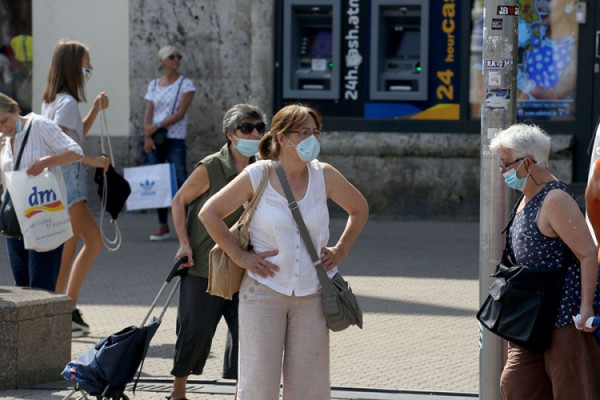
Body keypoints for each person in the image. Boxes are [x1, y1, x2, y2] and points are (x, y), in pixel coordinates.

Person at [199, 104, 369, 399]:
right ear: (280, 137)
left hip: (313, 296)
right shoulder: (259, 174)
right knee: (258, 387)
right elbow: (209, 213)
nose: (311, 138)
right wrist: (240, 256)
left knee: (309, 389)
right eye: (303, 131)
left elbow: (360, 208)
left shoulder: (323, 175)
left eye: (315, 131)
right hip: (264, 292)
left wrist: (341, 250)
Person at [489, 123, 600, 399]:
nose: (501, 172)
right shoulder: (527, 197)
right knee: (516, 384)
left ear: (527, 162)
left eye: (505, 164)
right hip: (531, 317)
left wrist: (586, 308)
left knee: (572, 389)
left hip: (564, 317)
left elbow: (587, 254)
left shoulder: (555, 199)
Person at [167, 103, 267, 400]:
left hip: (247, 264)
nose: (254, 133)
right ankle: (178, 391)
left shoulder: (262, 167)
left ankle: (241, 392)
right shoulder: (210, 166)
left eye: (260, 128)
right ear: (230, 134)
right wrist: (183, 243)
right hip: (204, 264)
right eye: (246, 128)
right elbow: (178, 201)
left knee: (247, 333)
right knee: (194, 331)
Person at [41, 39, 110, 337]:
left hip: (63, 185)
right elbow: (64, 144)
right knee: (79, 248)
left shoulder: (54, 100)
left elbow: (72, 136)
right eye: (86, 64)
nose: (89, 69)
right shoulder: (66, 102)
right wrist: (96, 161)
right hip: (71, 186)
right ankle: (62, 312)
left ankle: (65, 309)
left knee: (86, 245)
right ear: (73, 67)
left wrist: (93, 110)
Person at [0, 92, 83, 291]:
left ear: (15, 109)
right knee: (21, 288)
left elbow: (76, 152)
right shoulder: (3, 139)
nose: (3, 127)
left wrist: (47, 161)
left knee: (41, 289)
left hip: (45, 219)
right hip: (15, 222)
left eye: (4, 120)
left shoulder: (39, 125)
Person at [143, 44, 196, 241]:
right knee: (159, 180)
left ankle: (190, 226)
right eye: (171, 57)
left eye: (178, 56)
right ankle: (162, 224)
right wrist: (147, 136)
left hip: (175, 138)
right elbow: (148, 111)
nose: (176, 60)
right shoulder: (154, 85)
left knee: (182, 180)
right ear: (162, 61)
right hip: (157, 138)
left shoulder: (186, 84)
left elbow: (180, 114)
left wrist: (155, 126)